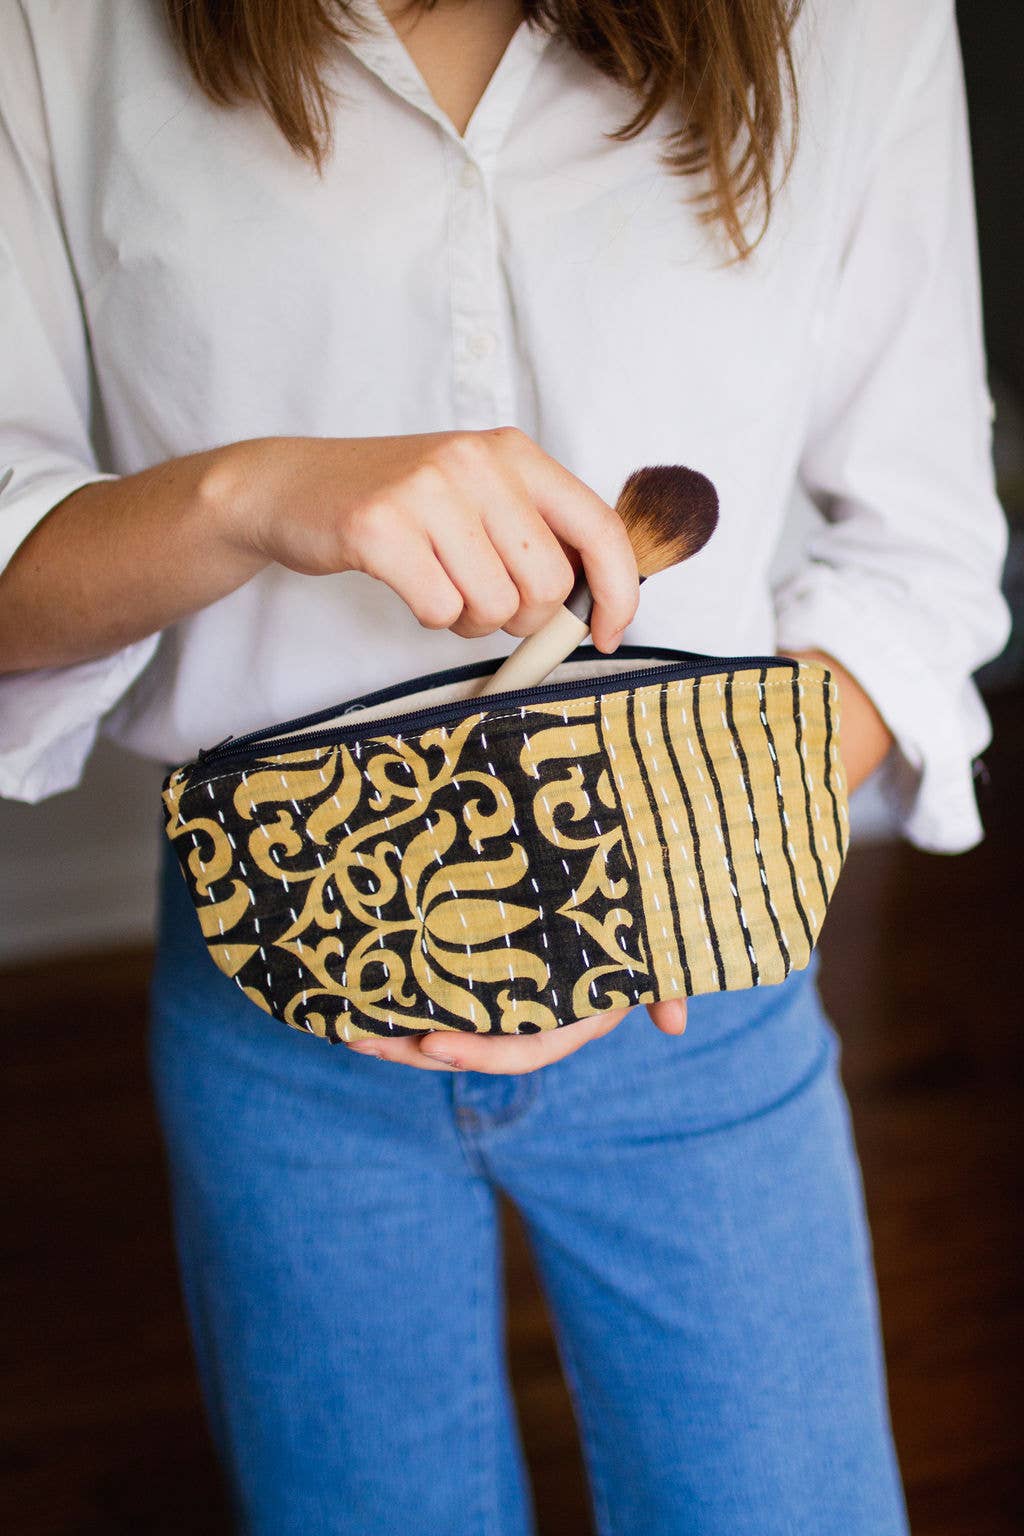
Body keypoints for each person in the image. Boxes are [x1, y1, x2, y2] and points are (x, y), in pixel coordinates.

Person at [0, 0, 1010, 1531]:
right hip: (278, 984)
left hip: (696, 985)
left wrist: (674, 868)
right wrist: (250, 497)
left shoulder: (853, 19)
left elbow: (922, 559)